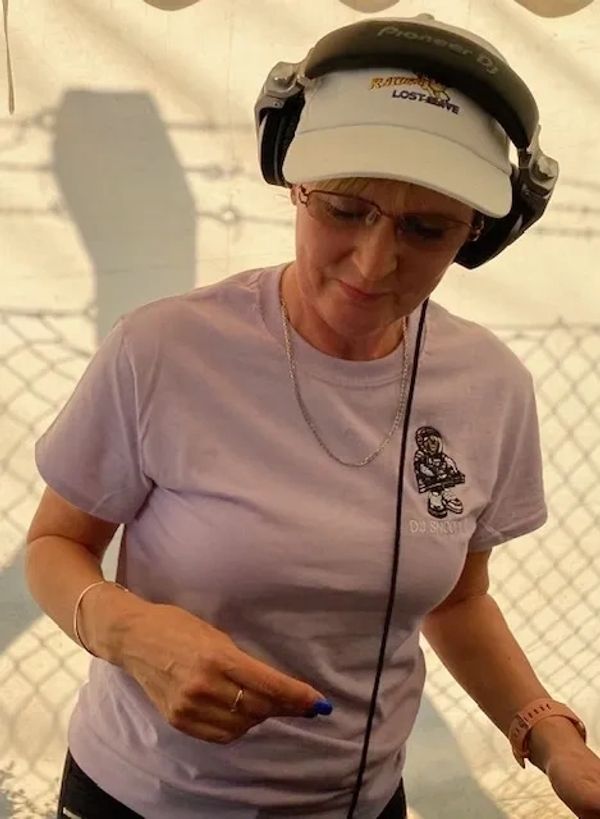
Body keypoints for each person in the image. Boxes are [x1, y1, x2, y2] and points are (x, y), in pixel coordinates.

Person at [24, 13, 600, 819]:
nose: (374, 262)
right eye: (343, 208)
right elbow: (56, 544)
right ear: (291, 180)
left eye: (426, 229)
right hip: (141, 798)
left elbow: (458, 599)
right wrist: (127, 631)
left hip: (362, 802)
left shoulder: (490, 388)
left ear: (481, 234)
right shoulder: (161, 350)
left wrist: (551, 736)